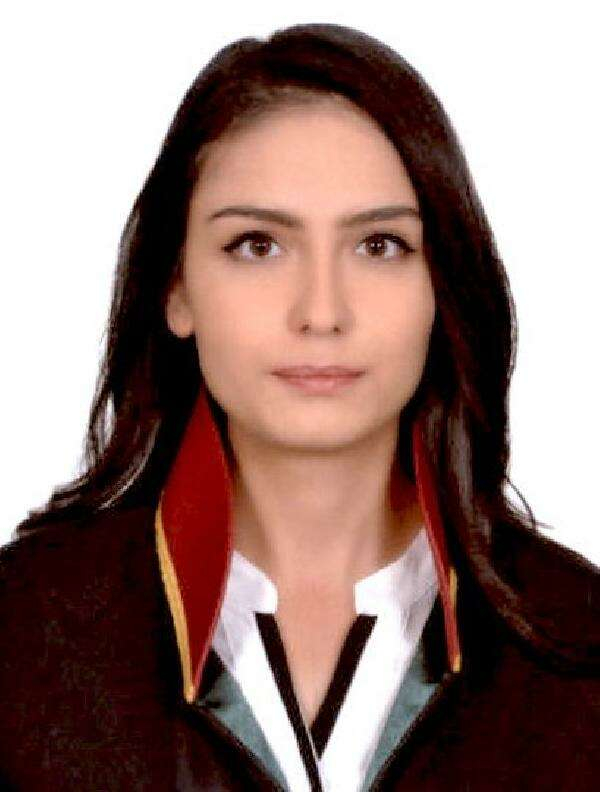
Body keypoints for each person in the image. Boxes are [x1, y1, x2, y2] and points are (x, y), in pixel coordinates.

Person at [1, 21, 598, 792]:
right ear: (176, 287)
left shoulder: (578, 645)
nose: (321, 312)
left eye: (379, 245)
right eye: (258, 245)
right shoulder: (23, 636)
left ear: (443, 286)